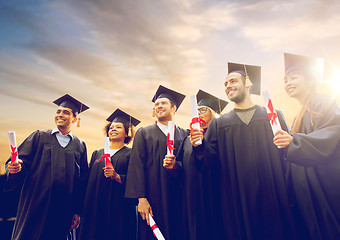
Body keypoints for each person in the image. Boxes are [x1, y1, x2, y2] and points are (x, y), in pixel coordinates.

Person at [191, 62, 297, 240]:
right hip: (237, 201)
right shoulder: (219, 124)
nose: (228, 87)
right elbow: (209, 163)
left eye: (233, 81)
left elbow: (289, 156)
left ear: (248, 83)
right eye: (225, 84)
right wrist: (199, 146)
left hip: (275, 196)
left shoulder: (273, 116)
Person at [273, 53, 340, 239]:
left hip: (327, 187)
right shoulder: (298, 116)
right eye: (286, 80)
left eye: (294, 77)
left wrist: (294, 141)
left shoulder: (324, 102)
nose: (288, 83)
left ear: (310, 80)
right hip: (309, 192)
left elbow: (332, 133)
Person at [4, 94, 89, 240]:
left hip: (64, 208)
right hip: (38, 203)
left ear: (75, 119)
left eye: (66, 112)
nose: (60, 115)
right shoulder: (39, 137)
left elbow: (82, 181)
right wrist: (14, 168)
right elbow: (19, 163)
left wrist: (77, 210)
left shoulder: (80, 146)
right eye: (58, 111)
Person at [125, 85, 189, 240]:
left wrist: (176, 167)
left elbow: (189, 167)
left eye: (163, 103)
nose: (159, 106)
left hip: (179, 196)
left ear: (173, 108)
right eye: (156, 105)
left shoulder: (185, 134)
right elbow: (136, 166)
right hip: (153, 197)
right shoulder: (144, 133)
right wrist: (141, 198)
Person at [79, 109, 140, 240]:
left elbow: (137, 181)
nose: (113, 129)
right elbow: (87, 181)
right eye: (111, 127)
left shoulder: (131, 154)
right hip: (95, 208)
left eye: (118, 127)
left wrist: (117, 176)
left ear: (127, 132)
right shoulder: (97, 153)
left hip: (118, 210)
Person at [177, 89, 228, 240]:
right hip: (192, 198)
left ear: (214, 113)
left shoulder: (223, 135)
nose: (198, 113)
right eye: (196, 110)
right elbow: (182, 168)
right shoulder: (187, 140)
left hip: (217, 195)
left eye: (203, 110)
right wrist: (174, 166)